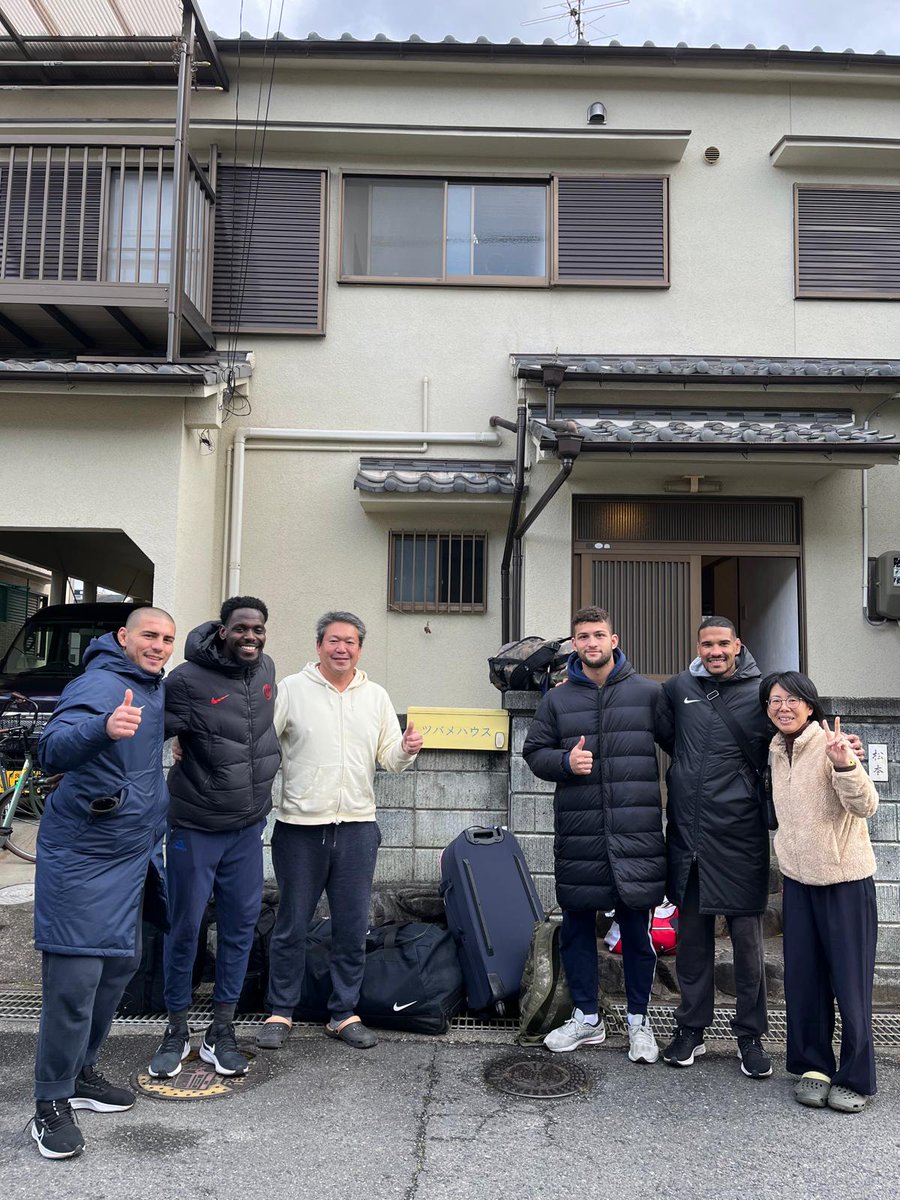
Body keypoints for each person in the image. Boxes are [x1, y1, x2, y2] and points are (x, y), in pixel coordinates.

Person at [657, 617, 862, 1080]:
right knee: (692, 942)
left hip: (740, 832)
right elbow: (670, 739)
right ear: (698, 646)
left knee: (748, 945)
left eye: (722, 644)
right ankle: (691, 1028)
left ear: (737, 645)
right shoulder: (677, 689)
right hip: (687, 833)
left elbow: (794, 734)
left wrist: (844, 748)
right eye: (707, 644)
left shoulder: (762, 692)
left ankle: (750, 1035)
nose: (715, 651)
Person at [30, 607, 176, 1159]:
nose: (159, 645)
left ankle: (82, 1072)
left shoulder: (150, 687)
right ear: (122, 637)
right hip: (84, 855)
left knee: (119, 967)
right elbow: (50, 749)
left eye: (166, 638)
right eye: (149, 635)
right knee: (75, 980)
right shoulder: (100, 683)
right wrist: (101, 727)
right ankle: (49, 1103)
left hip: (132, 852)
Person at [256, 611, 423, 1051]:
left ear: (360, 649)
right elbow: (263, 743)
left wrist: (405, 749)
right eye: (333, 640)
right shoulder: (292, 689)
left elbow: (388, 757)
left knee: (351, 926)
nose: (341, 648)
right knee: (292, 923)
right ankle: (280, 1011)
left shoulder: (375, 696)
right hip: (299, 827)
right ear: (319, 645)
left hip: (357, 828)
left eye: (350, 641)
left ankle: (343, 1013)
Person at [523, 606, 667, 1063]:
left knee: (637, 935)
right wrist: (565, 763)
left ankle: (640, 1021)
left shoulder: (648, 694)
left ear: (614, 639)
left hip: (636, 832)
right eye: (582, 636)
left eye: (598, 634)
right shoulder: (557, 700)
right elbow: (534, 752)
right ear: (575, 644)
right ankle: (587, 1018)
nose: (591, 643)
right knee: (577, 931)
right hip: (580, 834)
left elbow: (687, 743)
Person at [148, 597, 280, 1080]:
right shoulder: (185, 679)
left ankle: (220, 1031)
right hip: (195, 828)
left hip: (247, 828)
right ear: (222, 631)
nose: (251, 636)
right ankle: (176, 1028)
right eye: (242, 628)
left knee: (240, 926)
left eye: (259, 628)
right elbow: (150, 738)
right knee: (184, 927)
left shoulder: (264, 669)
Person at [761, 672, 879, 1113]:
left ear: (810, 706)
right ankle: (814, 1065)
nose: (783, 708)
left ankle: (855, 1077)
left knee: (849, 984)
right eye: (775, 701)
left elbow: (866, 805)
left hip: (845, 881)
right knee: (805, 982)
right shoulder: (775, 749)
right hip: (798, 881)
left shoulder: (832, 744)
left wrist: (846, 764)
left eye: (793, 700)